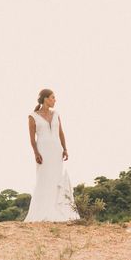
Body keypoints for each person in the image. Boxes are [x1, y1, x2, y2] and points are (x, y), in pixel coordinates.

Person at [24, 88, 80, 222]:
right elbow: (32, 139)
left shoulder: (56, 114)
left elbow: (61, 133)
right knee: (43, 178)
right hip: (43, 151)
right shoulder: (33, 116)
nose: (55, 100)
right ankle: (43, 210)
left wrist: (65, 149)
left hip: (56, 151)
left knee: (56, 179)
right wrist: (36, 153)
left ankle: (57, 210)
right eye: (53, 97)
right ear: (45, 99)